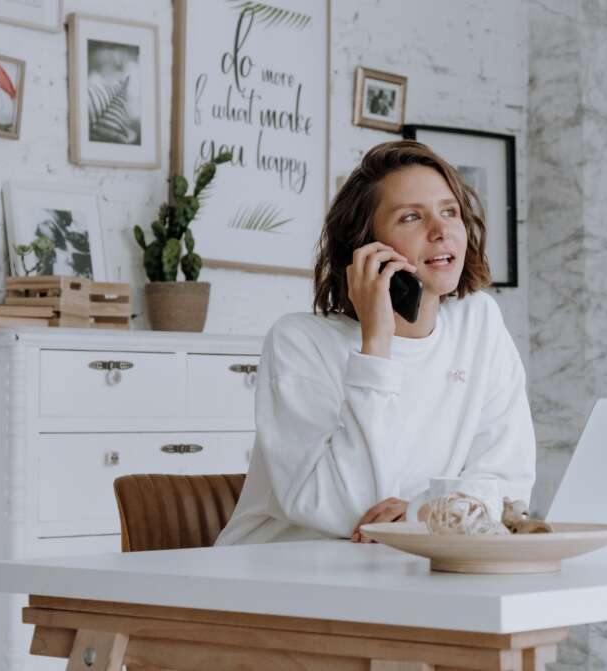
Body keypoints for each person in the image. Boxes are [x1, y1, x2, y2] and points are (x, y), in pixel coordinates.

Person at [215, 140, 535, 546]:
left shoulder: (480, 323)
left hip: (406, 564)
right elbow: (347, 508)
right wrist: (376, 345)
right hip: (282, 572)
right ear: (365, 246)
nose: (441, 231)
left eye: (449, 211)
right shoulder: (298, 341)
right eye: (411, 217)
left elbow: (508, 486)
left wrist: (420, 514)